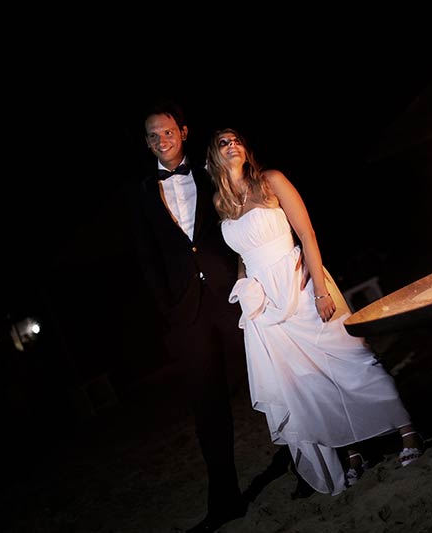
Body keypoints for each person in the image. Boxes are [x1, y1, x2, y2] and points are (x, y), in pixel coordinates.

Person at [205, 127, 425, 496]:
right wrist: (245, 291)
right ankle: (352, 454)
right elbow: (243, 257)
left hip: (301, 285)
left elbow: (306, 234)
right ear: (213, 156)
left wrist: (321, 291)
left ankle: (407, 430)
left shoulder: (271, 181)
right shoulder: (220, 202)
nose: (232, 145)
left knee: (350, 360)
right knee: (307, 382)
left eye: (236, 139)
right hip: (266, 306)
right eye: (223, 143)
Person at [126, 101, 250, 532]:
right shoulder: (142, 192)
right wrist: (169, 309)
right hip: (187, 312)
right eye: (153, 136)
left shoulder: (206, 171)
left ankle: (308, 463)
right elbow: (146, 258)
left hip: (230, 295)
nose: (162, 140)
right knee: (207, 407)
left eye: (167, 132)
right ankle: (225, 502)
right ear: (147, 142)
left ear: (183, 131)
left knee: (270, 375)